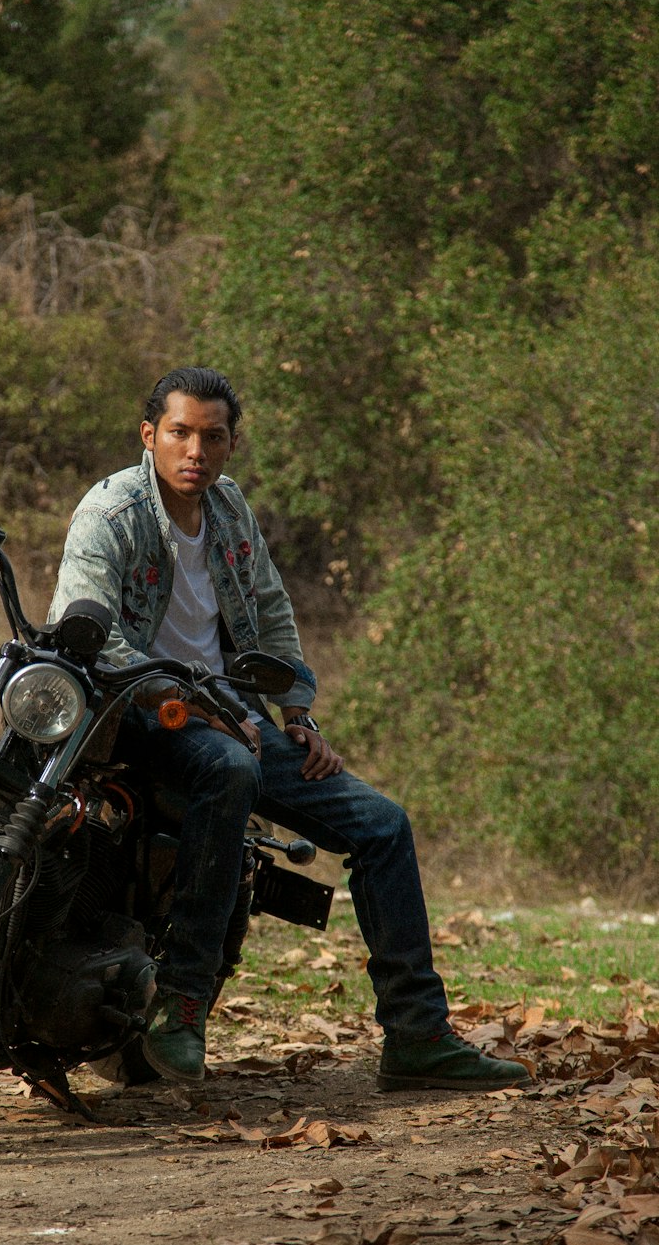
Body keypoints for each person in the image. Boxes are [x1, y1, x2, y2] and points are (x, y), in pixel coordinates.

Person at [48, 367, 532, 1092]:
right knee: (229, 767)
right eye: (179, 433)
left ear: (231, 444)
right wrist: (189, 698)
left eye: (213, 437)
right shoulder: (112, 513)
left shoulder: (230, 511)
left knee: (383, 826)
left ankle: (418, 1036)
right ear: (150, 436)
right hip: (133, 715)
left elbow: (270, 613)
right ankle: (183, 1005)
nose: (195, 451)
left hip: (230, 719)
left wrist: (297, 714)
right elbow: (91, 630)